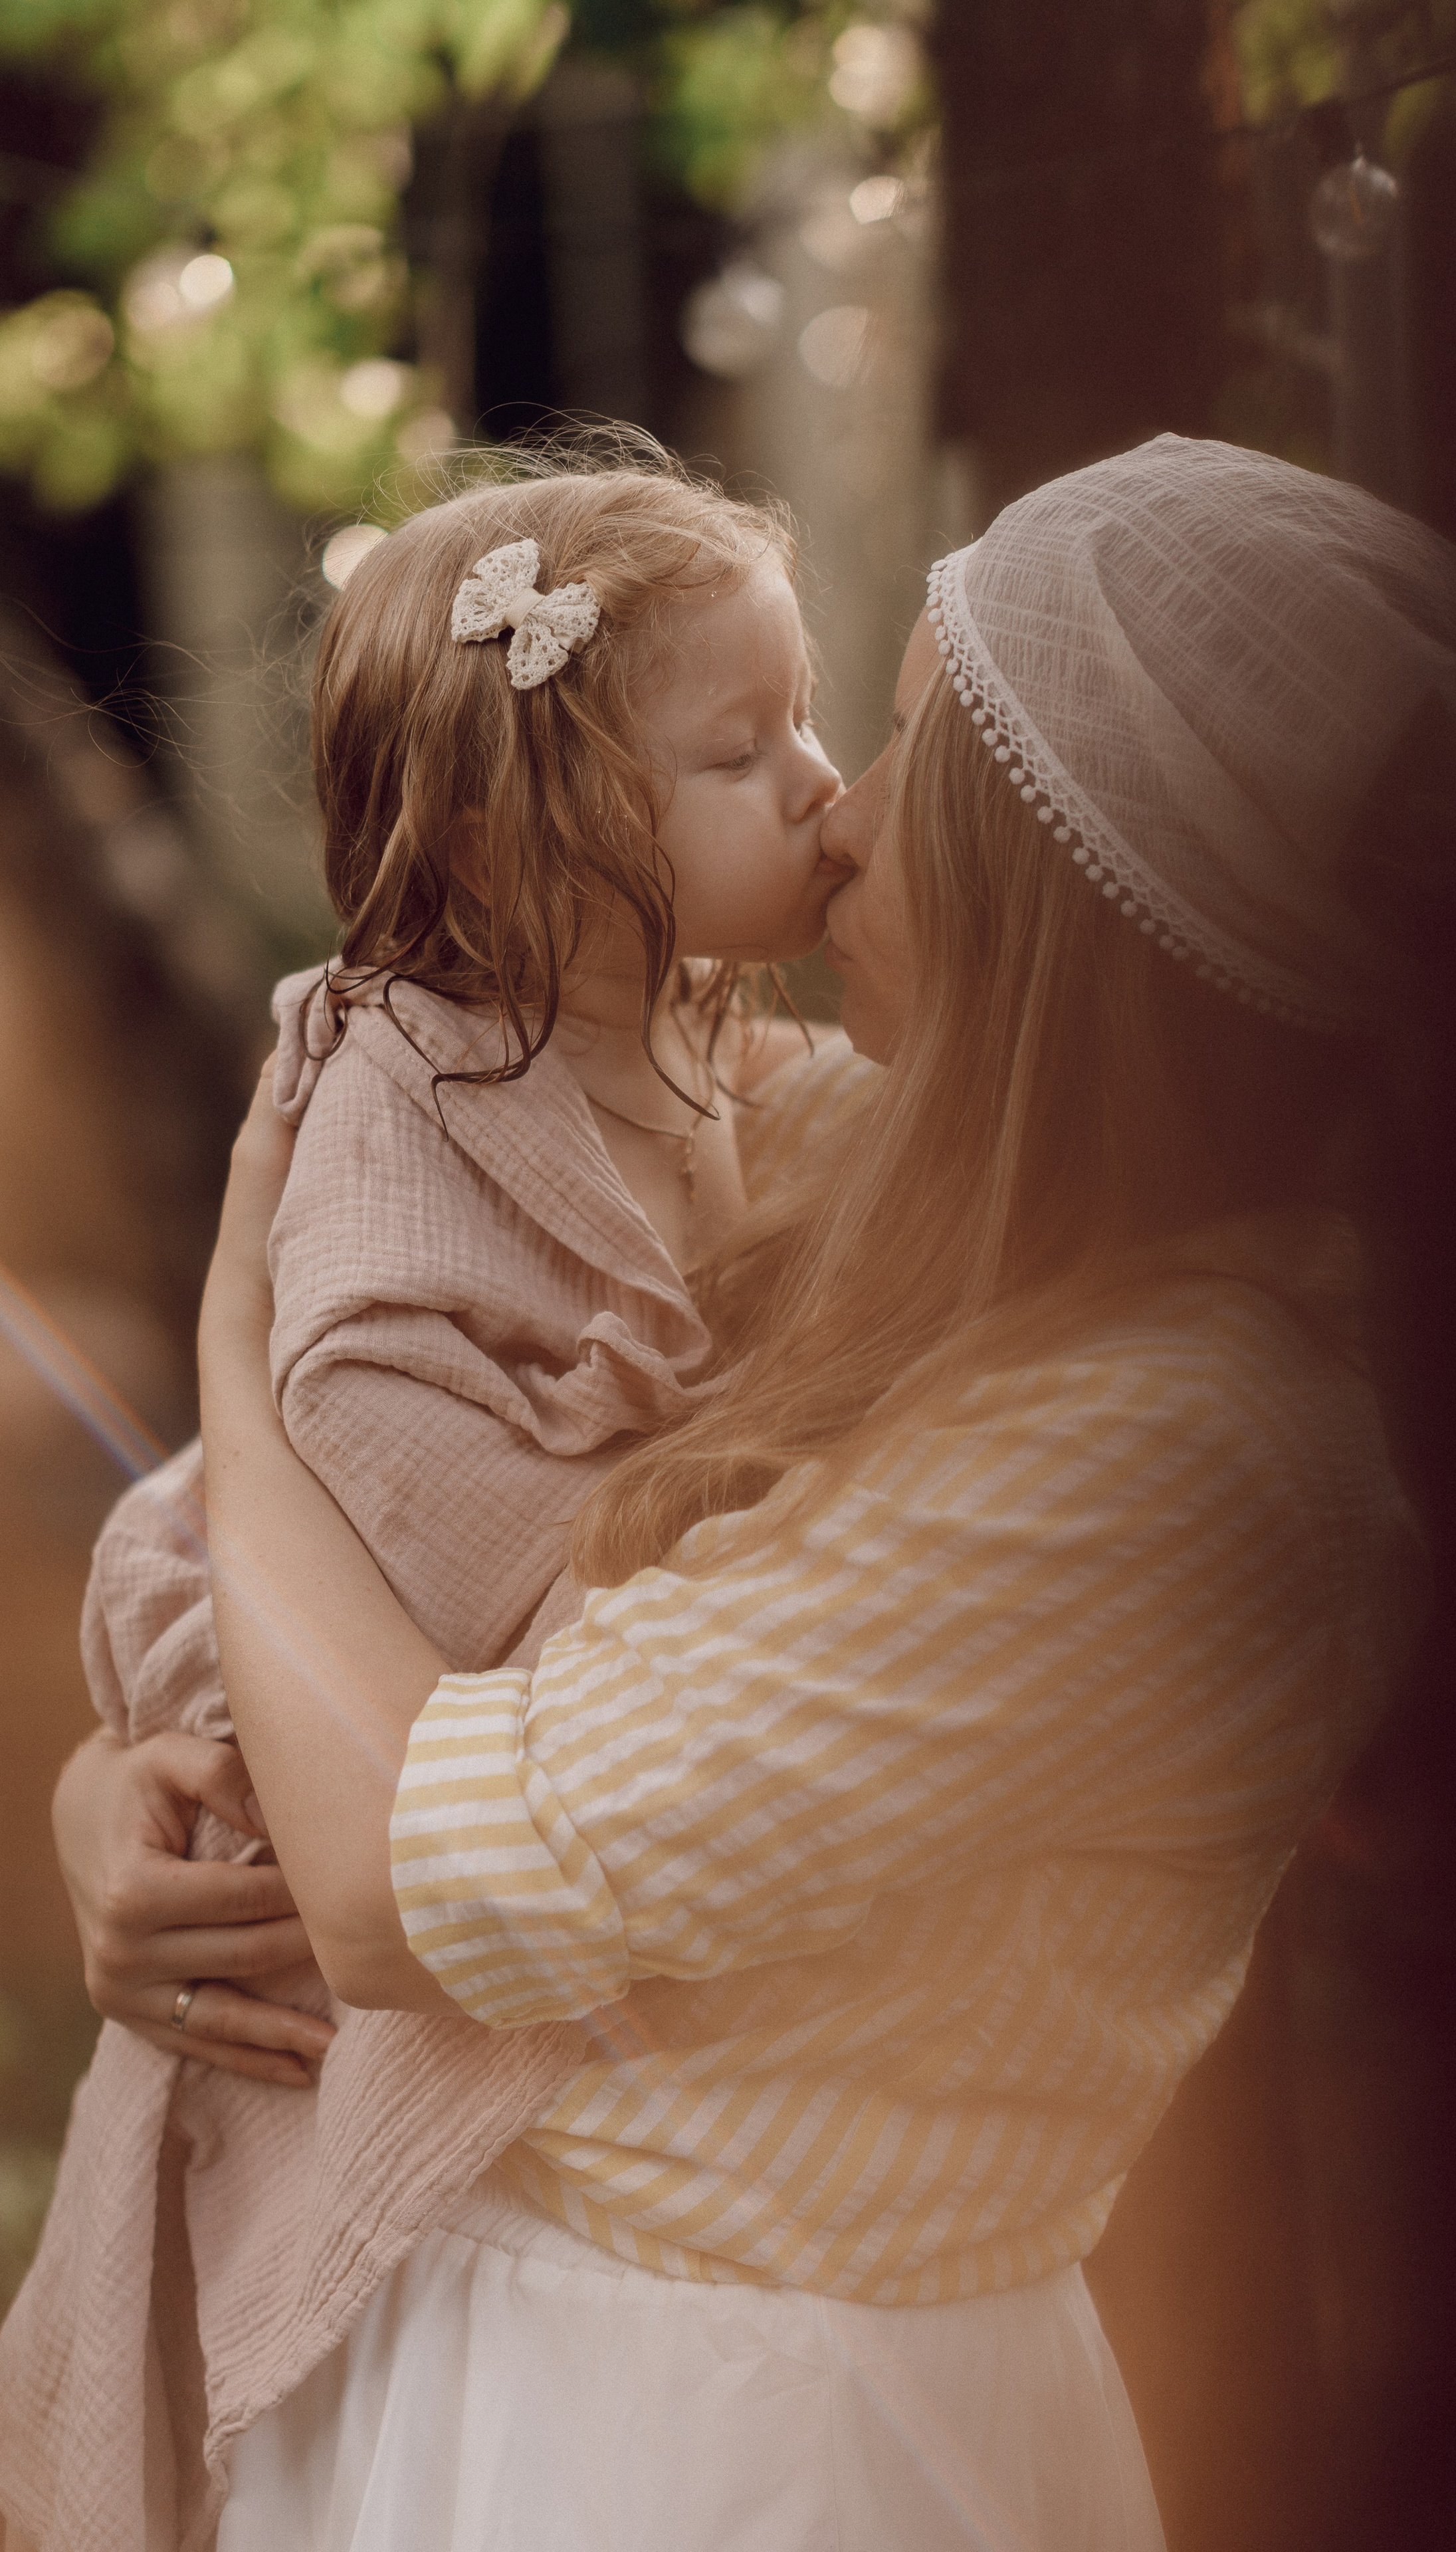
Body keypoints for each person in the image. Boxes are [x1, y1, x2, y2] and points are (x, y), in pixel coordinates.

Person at [23, 435, 1456, 2552]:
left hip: (728, 2446)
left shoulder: (1180, 1464)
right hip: (544, 2373)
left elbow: (393, 1878)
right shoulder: (895, 1174)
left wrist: (229, 1340)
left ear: (1050, 883)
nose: (843, 798)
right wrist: (129, 1790)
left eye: (907, 730)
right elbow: (361, 1537)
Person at [0, 450, 848, 2552]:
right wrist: (720, 1460)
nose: (825, 782)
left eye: (814, 718)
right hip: (354, 1749)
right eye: (743, 750)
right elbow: (402, 1490)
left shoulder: (697, 1043)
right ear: (517, 841)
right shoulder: (401, 1107)